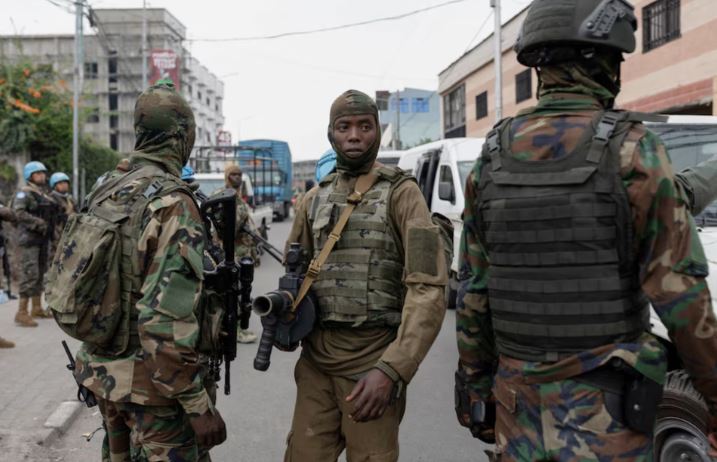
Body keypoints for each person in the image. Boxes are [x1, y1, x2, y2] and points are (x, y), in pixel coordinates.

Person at [455, 1, 717, 459]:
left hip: (515, 404)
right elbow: (681, 298)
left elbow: (475, 292)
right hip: (602, 412)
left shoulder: (492, 156)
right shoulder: (633, 149)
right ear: (605, 62)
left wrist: (476, 388)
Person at [284, 89, 447, 461]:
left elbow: (428, 289)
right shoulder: (312, 199)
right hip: (316, 365)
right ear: (331, 134)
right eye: (344, 127)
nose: (354, 135)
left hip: (372, 364)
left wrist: (392, 370)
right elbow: (295, 277)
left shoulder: (403, 195)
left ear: (377, 131)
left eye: (364, 126)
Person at [72, 81, 226, 461]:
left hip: (104, 375)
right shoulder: (173, 203)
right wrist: (197, 404)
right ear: (182, 138)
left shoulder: (107, 188)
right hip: (154, 392)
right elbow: (163, 320)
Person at [11, 161, 55, 325]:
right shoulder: (24, 193)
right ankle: (21, 312)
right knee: (30, 274)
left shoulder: (43, 194)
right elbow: (19, 213)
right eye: (37, 173)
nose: (41, 176)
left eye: (43, 173)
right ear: (30, 176)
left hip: (42, 240)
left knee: (40, 274)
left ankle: (36, 308)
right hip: (29, 240)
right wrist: (38, 223)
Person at [221, 163, 259, 344]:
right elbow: (228, 230)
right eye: (233, 174)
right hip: (232, 255)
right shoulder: (227, 199)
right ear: (227, 177)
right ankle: (235, 332)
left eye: (239, 174)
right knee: (235, 295)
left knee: (243, 294)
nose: (237, 178)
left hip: (243, 254)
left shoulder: (237, 198)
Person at [48, 172, 77, 258]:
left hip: (71, 232)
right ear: (54, 185)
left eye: (65, 183)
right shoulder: (51, 199)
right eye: (60, 183)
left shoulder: (70, 199)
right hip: (57, 234)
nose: (64, 185)